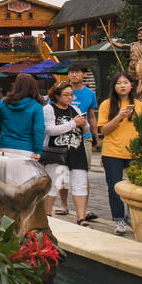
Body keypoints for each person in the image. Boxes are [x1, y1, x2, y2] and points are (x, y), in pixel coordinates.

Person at [98, 72, 142, 235]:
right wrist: (119, 116)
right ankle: (119, 220)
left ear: (131, 85)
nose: (122, 85)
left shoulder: (139, 105)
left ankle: (136, 219)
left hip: (135, 152)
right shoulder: (107, 105)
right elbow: (103, 130)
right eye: (119, 83)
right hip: (113, 152)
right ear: (114, 86)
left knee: (136, 188)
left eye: (126, 82)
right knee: (114, 187)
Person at [41, 80, 90, 224]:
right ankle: (47, 215)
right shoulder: (49, 109)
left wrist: (83, 124)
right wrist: (73, 123)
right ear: (56, 96)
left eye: (71, 95)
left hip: (76, 150)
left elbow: (85, 130)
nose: (70, 98)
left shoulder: (74, 109)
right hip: (57, 152)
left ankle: (81, 217)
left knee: (79, 183)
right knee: (54, 184)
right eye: (66, 95)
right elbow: (50, 130)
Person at [64, 63, 99, 215]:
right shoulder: (61, 91)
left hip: (84, 137)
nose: (73, 75)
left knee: (83, 173)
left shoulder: (89, 94)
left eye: (77, 72)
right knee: (62, 172)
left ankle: (83, 208)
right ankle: (64, 205)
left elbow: (91, 115)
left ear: (84, 74)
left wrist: (95, 134)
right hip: (64, 136)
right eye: (71, 72)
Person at [0, 73, 45, 158]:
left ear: (16, 86)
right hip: (27, 148)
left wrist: (5, 133)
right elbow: (39, 130)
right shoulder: (36, 106)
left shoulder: (4, 102)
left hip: (5, 146)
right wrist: (38, 150)